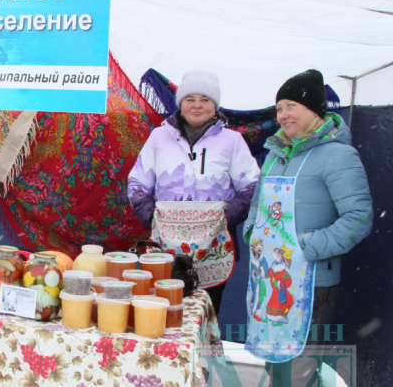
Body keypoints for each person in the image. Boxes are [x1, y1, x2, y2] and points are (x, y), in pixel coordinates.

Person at [242, 69, 372, 386]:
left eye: (291, 106)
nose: (282, 115)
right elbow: (258, 206)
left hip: (312, 284)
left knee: (298, 368)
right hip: (271, 279)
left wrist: (305, 249)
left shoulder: (338, 155)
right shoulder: (275, 155)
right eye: (279, 108)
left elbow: (359, 218)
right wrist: (252, 234)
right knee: (277, 365)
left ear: (313, 109)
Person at [128, 69, 260, 316]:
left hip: (214, 245)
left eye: (205, 99)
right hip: (165, 244)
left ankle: (204, 355)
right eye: (190, 99)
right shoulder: (159, 137)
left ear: (215, 105)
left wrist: (227, 217)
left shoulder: (232, 141)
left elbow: (252, 185)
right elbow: (137, 182)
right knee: (163, 310)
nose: (197, 105)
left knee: (205, 314)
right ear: (181, 104)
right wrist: (151, 215)